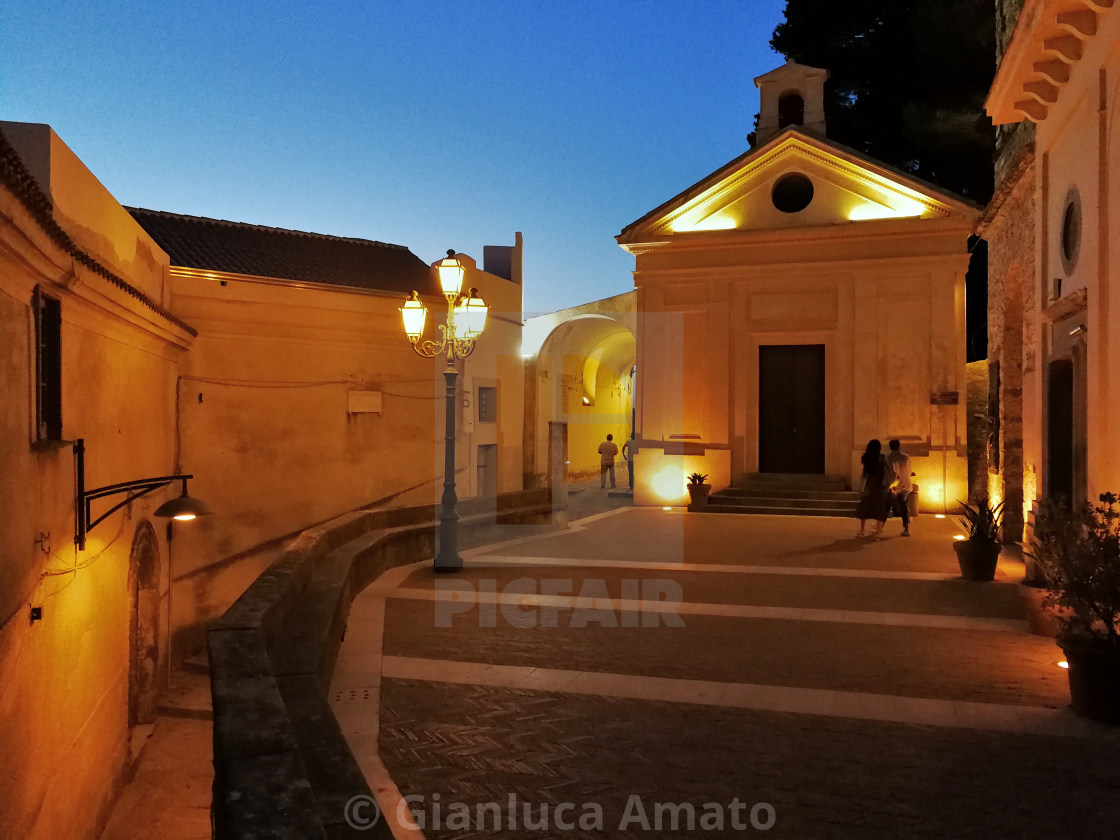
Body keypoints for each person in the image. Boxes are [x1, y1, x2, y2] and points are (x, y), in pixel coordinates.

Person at [855, 439, 890, 537]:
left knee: (865, 506)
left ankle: (862, 530)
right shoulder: (882, 458)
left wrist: (861, 488)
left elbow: (864, 473)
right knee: (879, 506)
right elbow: (889, 469)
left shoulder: (866, 458)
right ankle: (878, 528)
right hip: (880, 484)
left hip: (869, 483)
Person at [884, 439, 912, 536]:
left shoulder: (888, 457)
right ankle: (906, 528)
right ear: (899, 446)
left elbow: (888, 472)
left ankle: (880, 526)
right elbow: (909, 471)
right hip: (905, 485)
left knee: (887, 505)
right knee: (903, 506)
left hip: (894, 486)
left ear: (890, 447)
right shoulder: (906, 457)